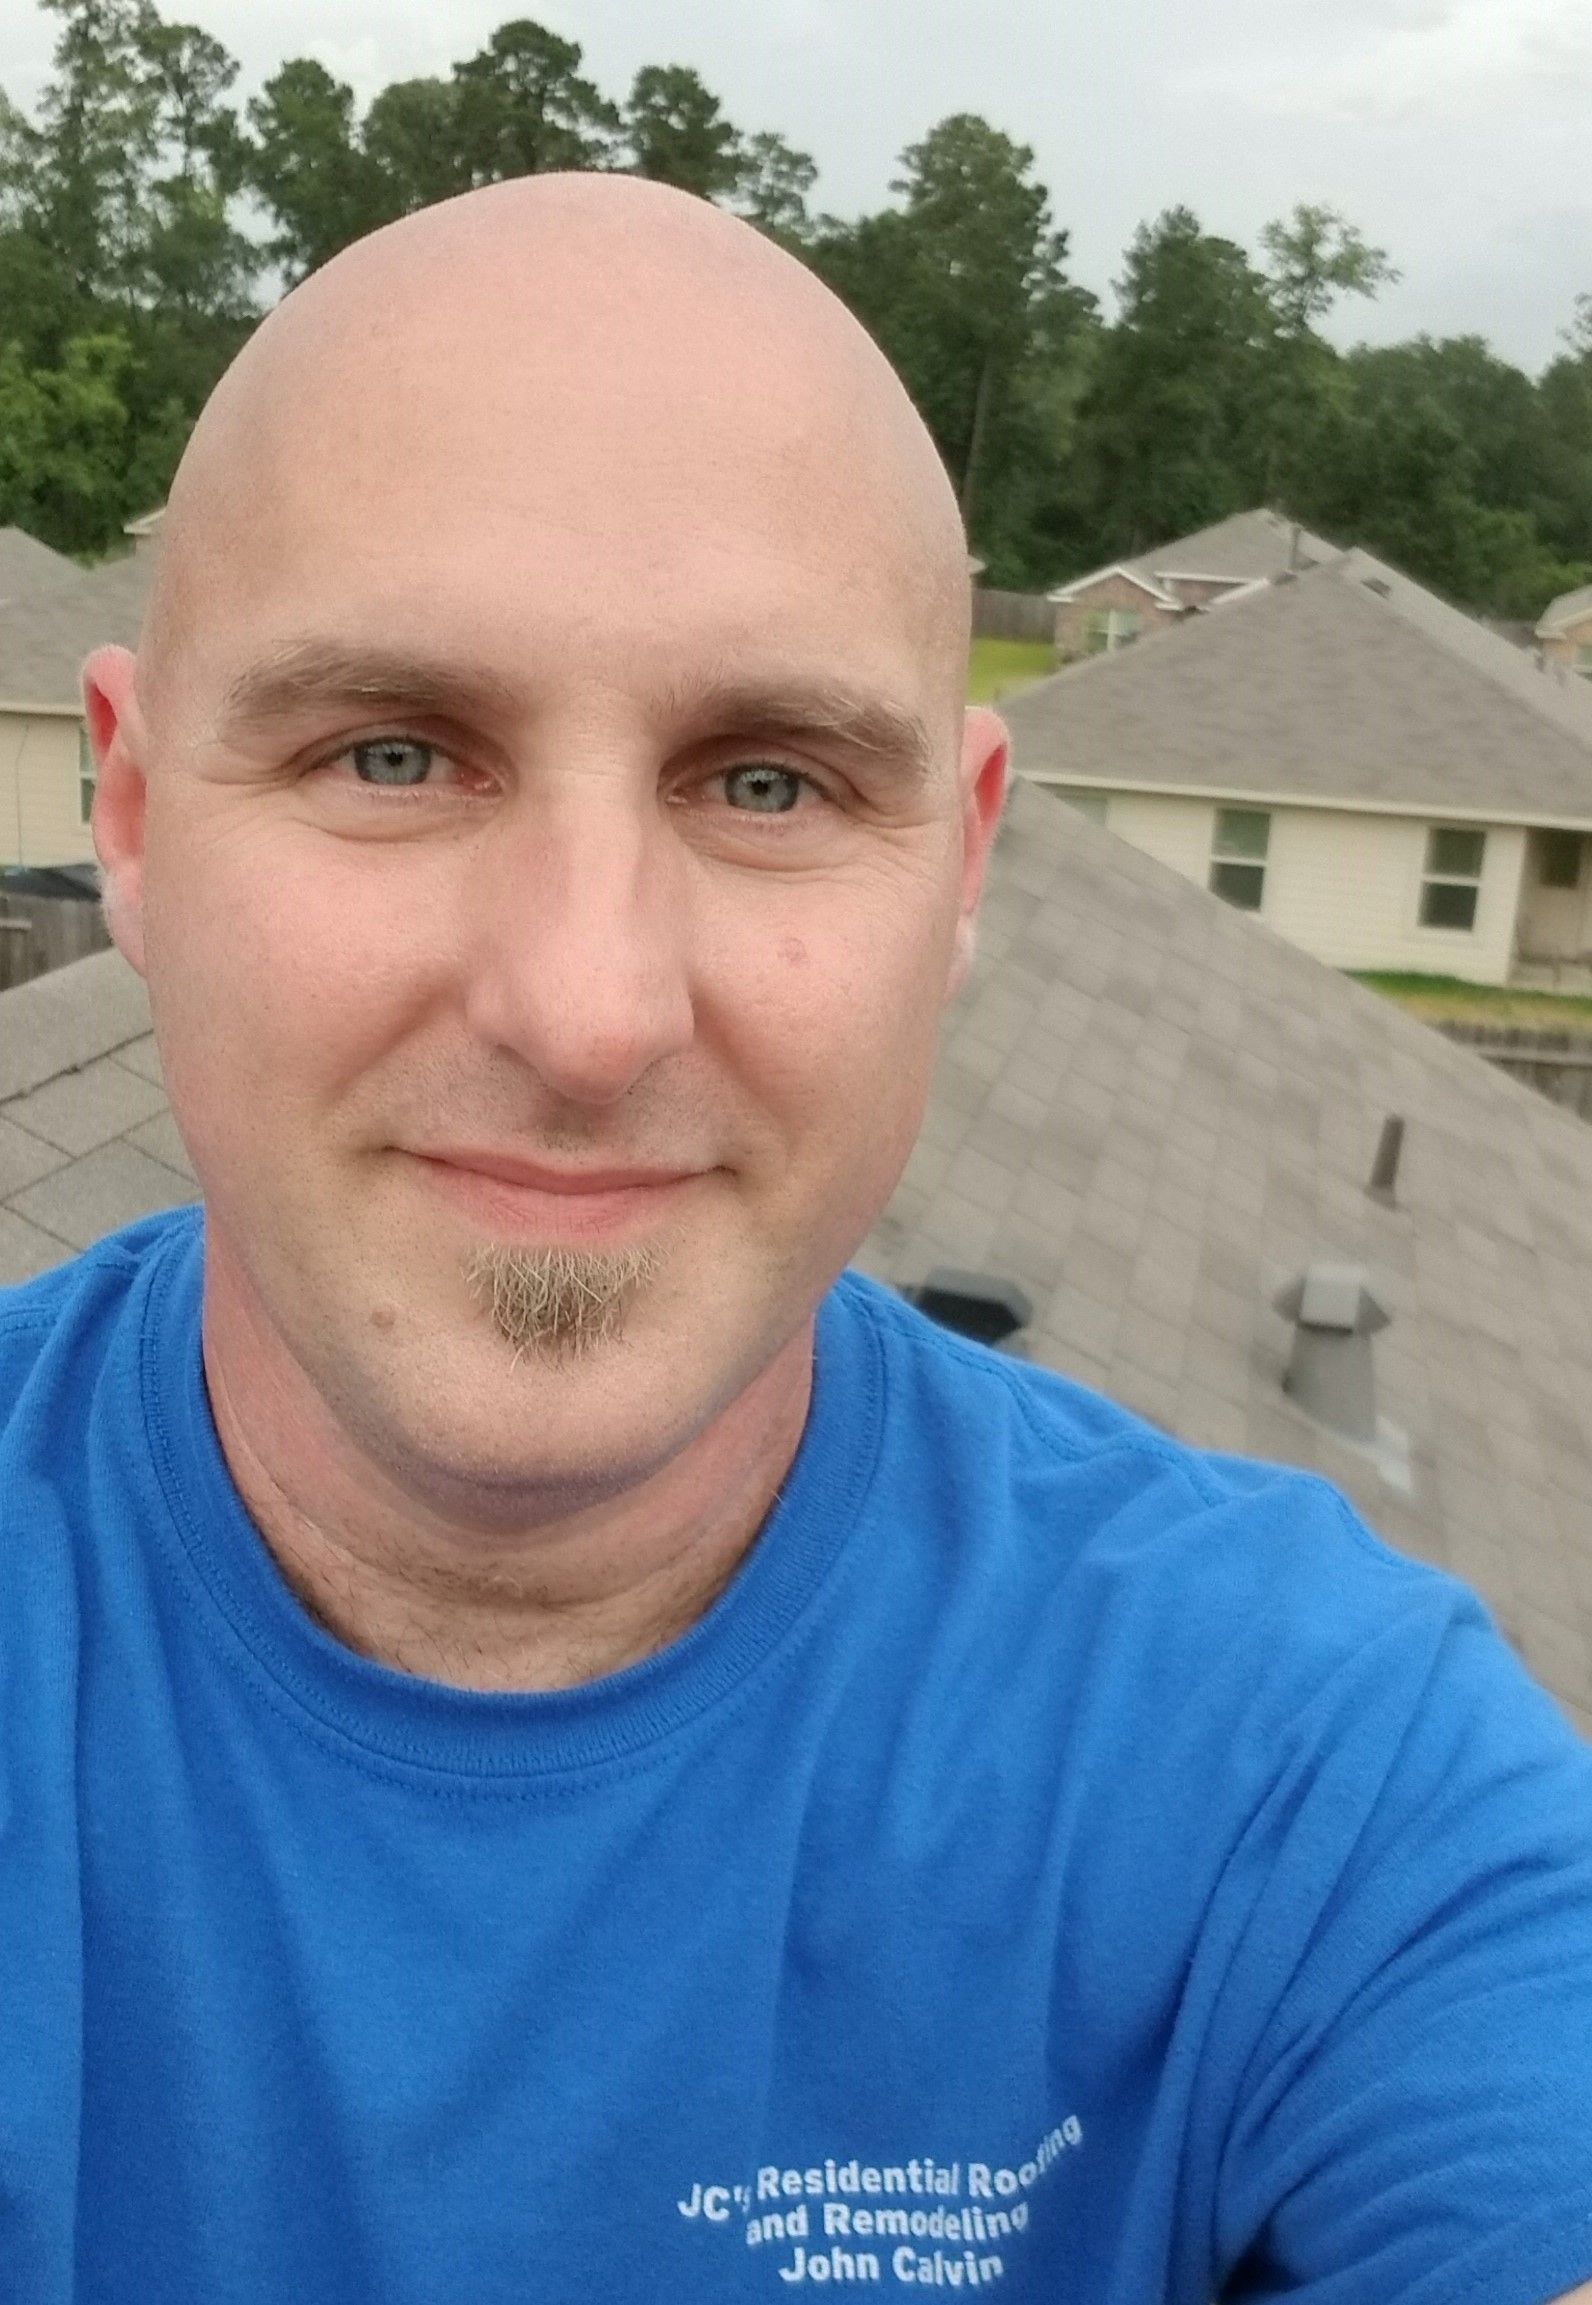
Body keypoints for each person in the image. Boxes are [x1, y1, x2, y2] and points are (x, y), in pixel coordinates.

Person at [1, 173, 1588, 2305]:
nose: (588, 1008)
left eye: (764, 783)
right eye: (394, 751)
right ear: (125, 810)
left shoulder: (1320, 1787)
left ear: (961, 868)